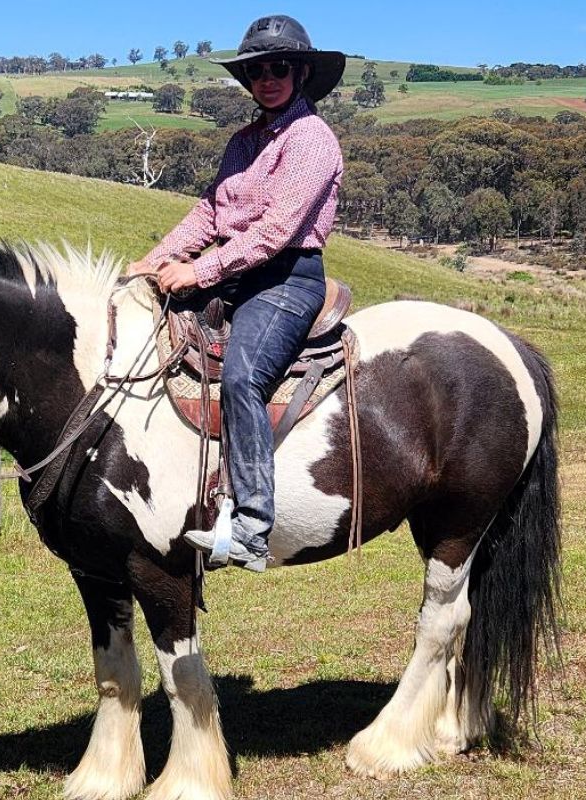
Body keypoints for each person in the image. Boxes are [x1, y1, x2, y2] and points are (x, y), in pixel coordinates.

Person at [128, 15, 345, 572]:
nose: (267, 78)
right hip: (237, 275)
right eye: (256, 70)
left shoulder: (312, 139)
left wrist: (197, 273)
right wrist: (154, 262)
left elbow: (275, 232)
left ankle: (251, 524)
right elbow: (209, 213)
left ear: (299, 72)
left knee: (243, 374)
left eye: (278, 68)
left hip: (287, 279)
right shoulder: (243, 142)